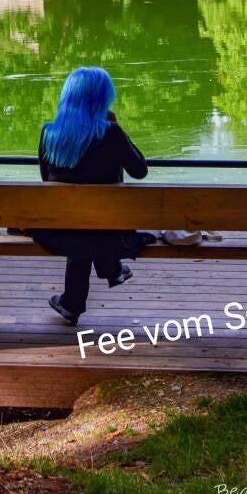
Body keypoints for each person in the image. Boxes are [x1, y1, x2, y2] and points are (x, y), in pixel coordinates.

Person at [31, 66, 154, 326]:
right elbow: (140, 171)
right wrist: (117, 128)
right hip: (108, 230)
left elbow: (46, 181)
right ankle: (111, 269)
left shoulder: (48, 133)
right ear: (102, 98)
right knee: (94, 224)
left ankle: (73, 302)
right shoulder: (110, 133)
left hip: (59, 231)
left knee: (82, 226)